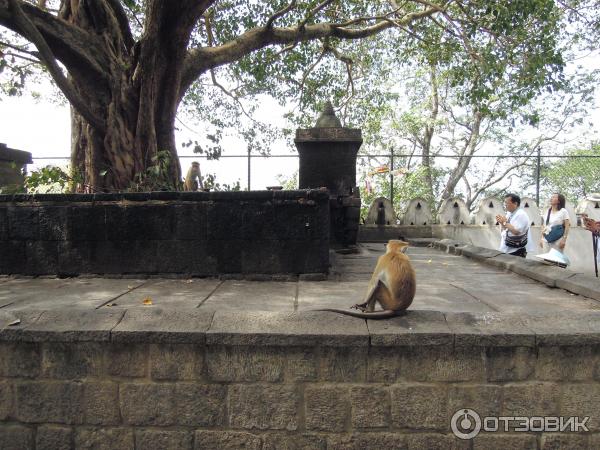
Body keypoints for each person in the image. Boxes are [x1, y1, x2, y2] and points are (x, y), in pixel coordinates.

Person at [496, 193, 533, 258]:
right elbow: (504, 229)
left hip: (516, 250)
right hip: (506, 248)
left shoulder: (521, 214)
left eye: (507, 203)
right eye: (504, 203)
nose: (505, 205)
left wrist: (504, 223)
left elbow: (516, 231)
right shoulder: (509, 213)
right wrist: (502, 223)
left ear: (515, 204)